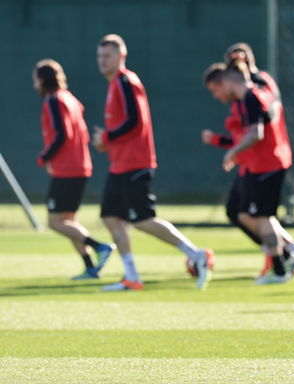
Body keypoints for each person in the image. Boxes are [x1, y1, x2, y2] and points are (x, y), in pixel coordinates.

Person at [91, 34, 213, 291]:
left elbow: (135, 120)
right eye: (100, 56)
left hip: (135, 163)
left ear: (121, 56)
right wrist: (108, 141)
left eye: (108, 55)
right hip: (119, 164)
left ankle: (197, 255)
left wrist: (107, 136)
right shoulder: (115, 84)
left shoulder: (126, 81)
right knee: (111, 216)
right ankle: (132, 276)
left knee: (143, 219)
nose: (102, 61)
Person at [201, 62, 294, 276]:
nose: (216, 95)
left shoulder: (250, 97)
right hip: (266, 163)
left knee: (261, 218)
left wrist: (232, 152)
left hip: (266, 164)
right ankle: (286, 259)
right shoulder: (259, 93)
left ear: (228, 81)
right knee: (247, 215)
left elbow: (255, 133)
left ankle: (280, 269)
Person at [33, 59, 115, 280]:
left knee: (55, 222)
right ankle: (90, 267)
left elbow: (62, 134)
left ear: (42, 80)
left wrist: (45, 157)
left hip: (68, 169)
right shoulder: (71, 99)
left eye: (35, 80)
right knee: (69, 221)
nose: (34, 85)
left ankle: (99, 247)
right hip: (79, 166)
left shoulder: (54, 100)